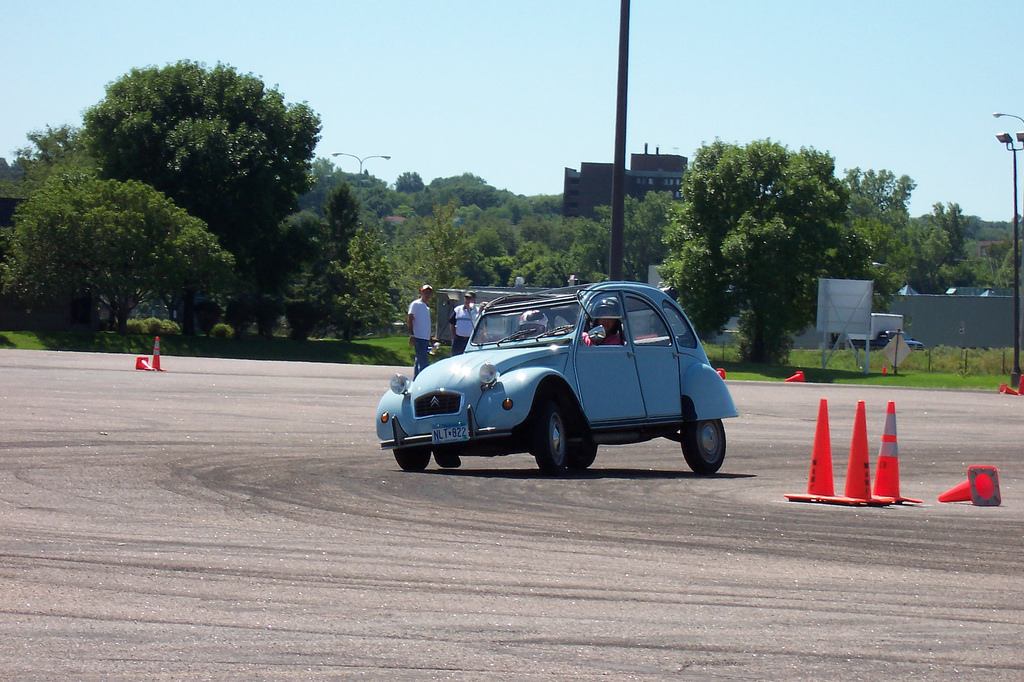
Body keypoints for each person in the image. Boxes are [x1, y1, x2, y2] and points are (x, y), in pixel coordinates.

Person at [408, 284, 433, 377]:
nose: (427, 295)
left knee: (419, 360)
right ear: (421, 293)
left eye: (429, 293)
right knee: (424, 363)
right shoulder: (416, 304)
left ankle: (416, 380)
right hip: (418, 337)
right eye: (425, 292)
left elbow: (425, 324)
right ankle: (424, 380)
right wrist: (411, 335)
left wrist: (430, 338)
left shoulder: (426, 307)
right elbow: (410, 318)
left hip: (425, 337)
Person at [449, 291, 479, 355]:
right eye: (466, 298)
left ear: (474, 300)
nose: (467, 301)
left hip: (471, 341)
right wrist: (455, 335)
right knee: (456, 358)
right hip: (459, 340)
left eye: (470, 299)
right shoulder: (457, 309)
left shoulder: (478, 311)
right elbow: (452, 324)